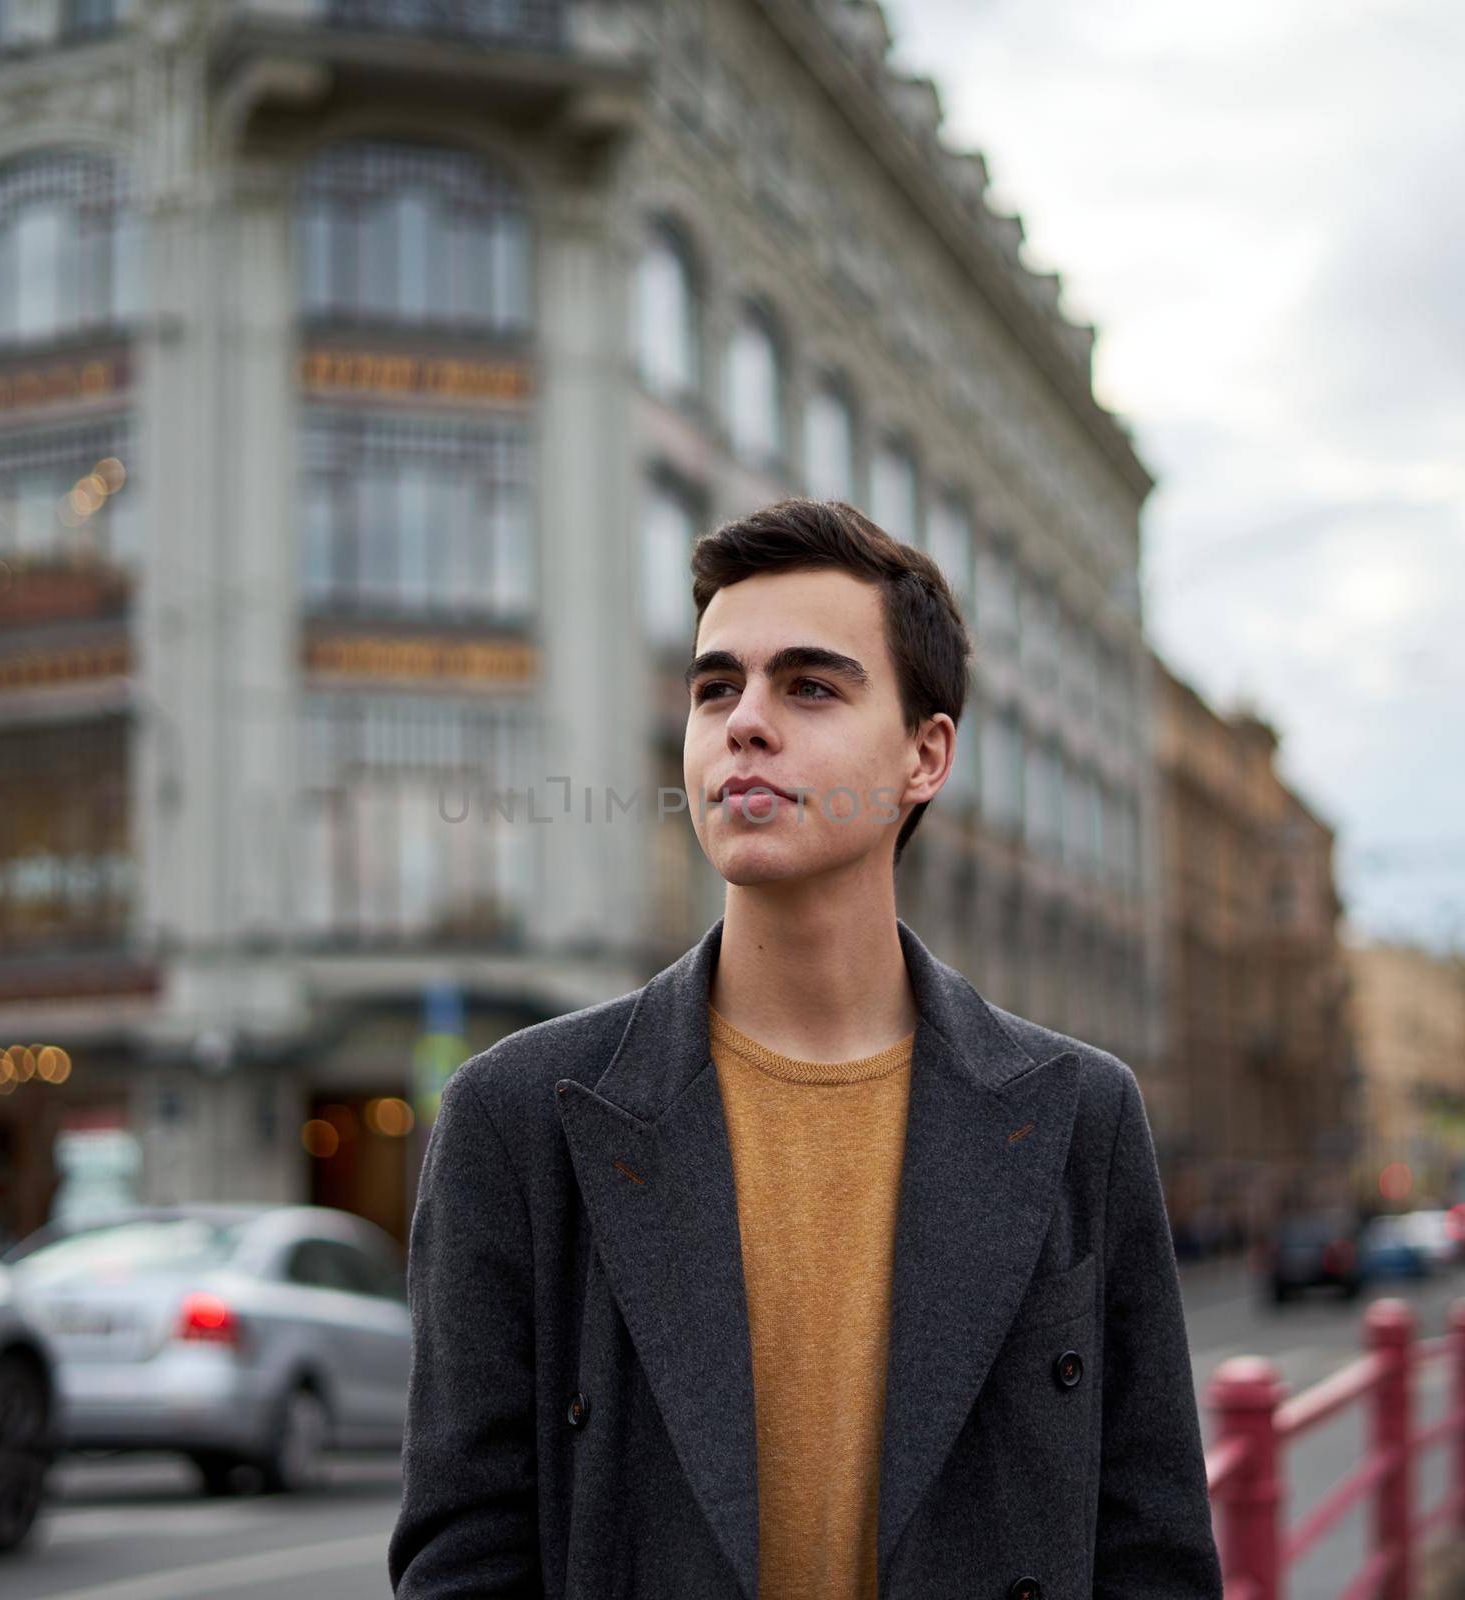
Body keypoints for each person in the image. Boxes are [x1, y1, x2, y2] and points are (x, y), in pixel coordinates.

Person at [389, 499, 1222, 1599]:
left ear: (925, 756)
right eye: (714, 687)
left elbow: (1149, 1547)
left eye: (810, 685)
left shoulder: (1078, 1111)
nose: (743, 722)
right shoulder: (519, 1115)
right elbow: (463, 1557)